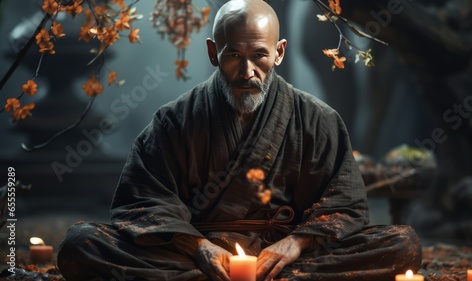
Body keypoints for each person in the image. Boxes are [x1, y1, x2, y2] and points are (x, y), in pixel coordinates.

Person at [57, 0, 422, 280]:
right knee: (82, 243)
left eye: (259, 55)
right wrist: (197, 246)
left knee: (403, 244)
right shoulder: (174, 120)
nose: (248, 72)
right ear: (214, 52)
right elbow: (142, 201)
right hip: (195, 253)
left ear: (278, 52)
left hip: (282, 255)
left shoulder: (317, 119)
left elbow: (345, 203)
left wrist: (296, 243)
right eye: (234, 56)